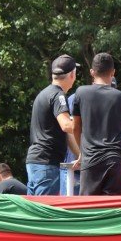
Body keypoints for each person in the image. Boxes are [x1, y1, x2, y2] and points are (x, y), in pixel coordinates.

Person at [72, 53, 121, 196]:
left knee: (89, 210)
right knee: (114, 210)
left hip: (91, 159)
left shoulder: (81, 93)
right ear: (113, 72)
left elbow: (76, 128)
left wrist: (82, 152)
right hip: (116, 159)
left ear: (92, 72)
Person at [26, 54, 78, 195]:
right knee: (46, 213)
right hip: (46, 164)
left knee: (35, 212)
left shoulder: (44, 93)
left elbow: (66, 134)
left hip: (36, 162)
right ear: (72, 74)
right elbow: (66, 126)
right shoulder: (58, 96)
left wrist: (80, 155)